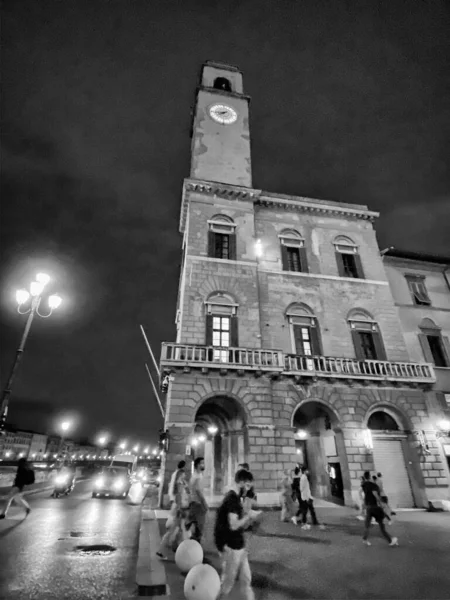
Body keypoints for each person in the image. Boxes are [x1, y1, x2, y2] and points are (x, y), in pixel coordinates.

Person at [214, 469, 261, 600]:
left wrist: (249, 517)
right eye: (246, 486)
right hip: (231, 547)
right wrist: (249, 516)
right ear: (240, 482)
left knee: (246, 579)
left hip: (238, 545)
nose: (247, 490)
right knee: (227, 584)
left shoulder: (235, 498)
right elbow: (233, 525)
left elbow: (240, 525)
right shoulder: (232, 500)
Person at [157, 460, 190, 559]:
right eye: (183, 475)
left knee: (181, 531)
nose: (184, 476)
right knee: (176, 531)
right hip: (179, 510)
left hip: (178, 509)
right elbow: (179, 497)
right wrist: (180, 509)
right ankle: (185, 553)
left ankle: (179, 550)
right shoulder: (179, 484)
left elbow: (186, 491)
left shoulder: (179, 480)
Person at [361, 471, 398, 547]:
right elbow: (375, 495)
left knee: (367, 525)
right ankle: (390, 540)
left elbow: (366, 495)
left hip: (368, 507)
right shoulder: (373, 485)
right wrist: (380, 503)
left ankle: (365, 539)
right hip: (374, 506)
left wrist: (364, 505)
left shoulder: (364, 485)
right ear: (370, 476)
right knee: (381, 525)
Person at [188, 456, 208, 543]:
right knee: (199, 528)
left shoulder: (194, 475)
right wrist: (204, 503)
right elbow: (198, 491)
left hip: (193, 503)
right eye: (202, 463)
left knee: (195, 527)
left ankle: (193, 549)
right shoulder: (198, 477)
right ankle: (196, 551)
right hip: (198, 504)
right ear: (197, 465)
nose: (203, 465)